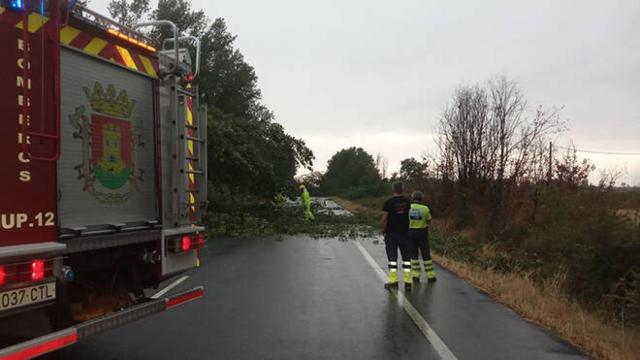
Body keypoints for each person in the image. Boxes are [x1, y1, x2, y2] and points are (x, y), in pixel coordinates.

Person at [381, 182, 413, 291]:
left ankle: (393, 281)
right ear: (402, 189)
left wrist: (383, 230)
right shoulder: (408, 202)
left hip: (391, 234)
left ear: (393, 189)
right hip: (405, 234)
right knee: (407, 259)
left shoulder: (389, 203)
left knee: (392, 259)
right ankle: (408, 282)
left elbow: (384, 218)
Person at [408, 191, 436, 282]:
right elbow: (429, 220)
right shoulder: (425, 208)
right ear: (421, 198)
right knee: (426, 253)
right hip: (422, 232)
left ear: (412, 198)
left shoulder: (408, 208)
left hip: (411, 232)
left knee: (414, 254)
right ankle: (430, 275)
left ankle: (416, 275)